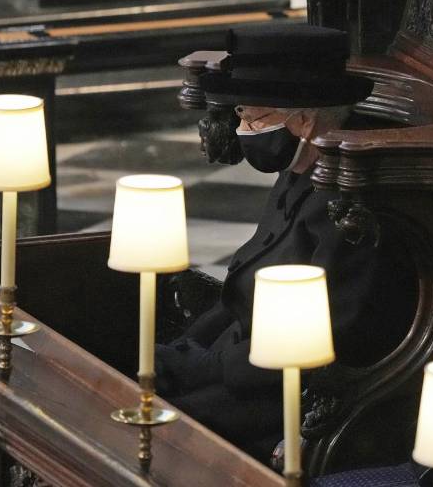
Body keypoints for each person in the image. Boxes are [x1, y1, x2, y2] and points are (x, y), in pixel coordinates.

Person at [157, 24, 417, 461]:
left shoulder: (353, 206)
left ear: (303, 120)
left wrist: (208, 367)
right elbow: (242, 290)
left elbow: (331, 338)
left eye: (253, 118)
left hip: (295, 391)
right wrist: (185, 350)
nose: (242, 129)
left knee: (164, 428)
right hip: (246, 361)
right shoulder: (302, 167)